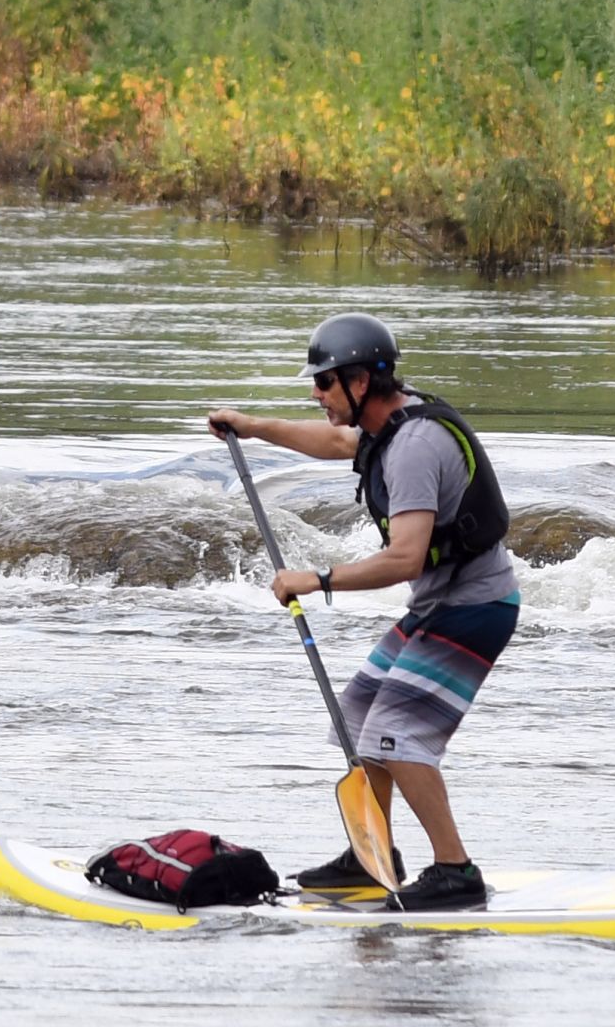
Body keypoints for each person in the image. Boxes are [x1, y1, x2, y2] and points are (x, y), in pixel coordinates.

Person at [208, 312, 517, 912]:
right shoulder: (386, 427)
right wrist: (250, 426)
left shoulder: (414, 448)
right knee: (357, 720)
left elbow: (403, 558)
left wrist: (317, 578)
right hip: (441, 604)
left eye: (324, 383)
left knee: (397, 736)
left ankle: (456, 871)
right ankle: (372, 857)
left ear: (361, 381)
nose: (315, 394)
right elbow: (335, 442)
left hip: (476, 608)